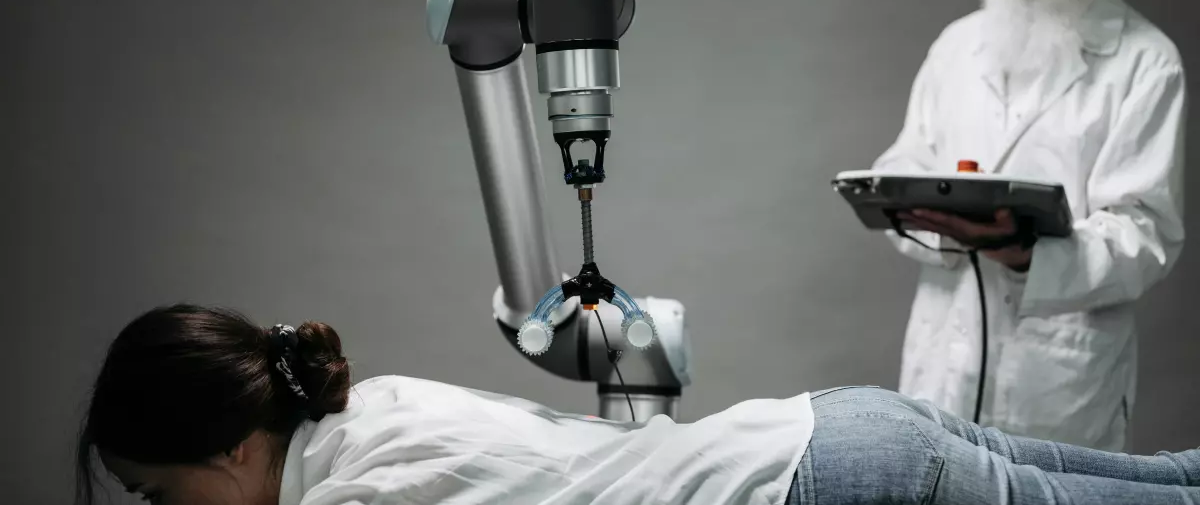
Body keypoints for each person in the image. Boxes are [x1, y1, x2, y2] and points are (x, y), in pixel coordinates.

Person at [76, 304, 1200, 505]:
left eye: (157, 497)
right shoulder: (371, 412)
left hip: (828, 484)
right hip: (840, 429)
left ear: (225, 455)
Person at [873, 0, 1186, 451]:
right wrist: (920, 209)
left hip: (1060, 387)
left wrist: (1025, 252)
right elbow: (907, 161)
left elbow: (1146, 234)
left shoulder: (1145, 63)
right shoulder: (957, 46)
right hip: (941, 370)